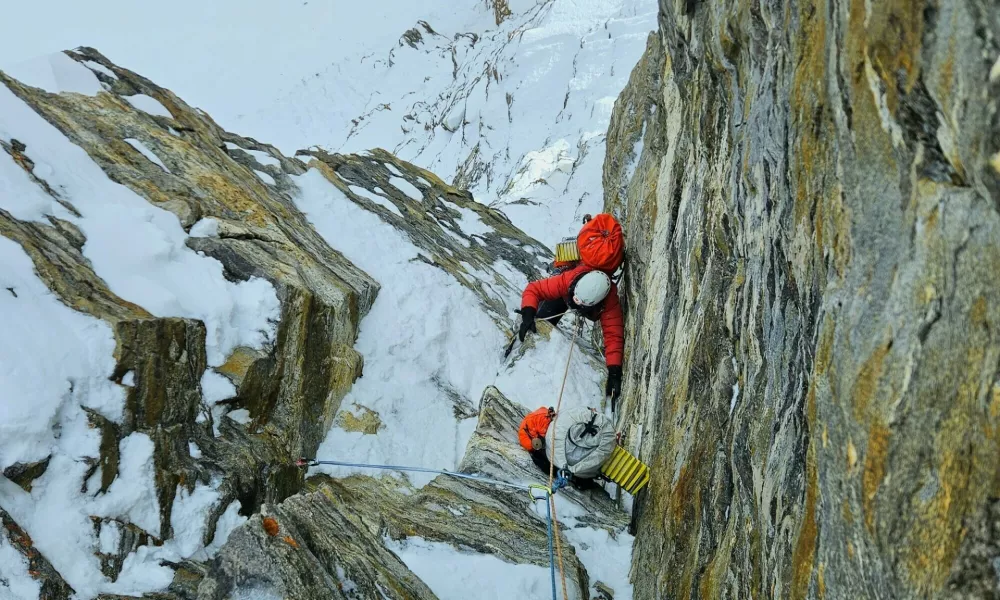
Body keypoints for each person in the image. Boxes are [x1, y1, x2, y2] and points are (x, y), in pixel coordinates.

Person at [517, 265, 624, 408]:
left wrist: (614, 371)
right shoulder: (568, 279)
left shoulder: (609, 303)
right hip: (563, 296)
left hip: (574, 296)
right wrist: (528, 312)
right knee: (540, 323)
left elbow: (613, 335)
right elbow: (534, 289)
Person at [518, 406, 555, 474]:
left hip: (533, 428)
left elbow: (542, 431)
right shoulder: (527, 441)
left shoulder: (542, 420)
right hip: (533, 428)